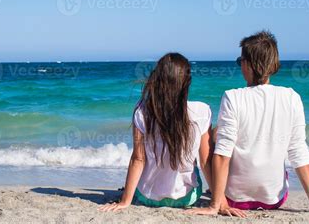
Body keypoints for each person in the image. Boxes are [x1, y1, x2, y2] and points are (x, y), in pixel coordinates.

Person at [188, 31, 309, 217]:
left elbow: (223, 154)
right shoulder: (291, 97)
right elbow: (298, 151)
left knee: (216, 135)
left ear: (248, 64)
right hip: (274, 200)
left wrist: (216, 205)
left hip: (234, 199)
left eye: (241, 61)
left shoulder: (233, 97)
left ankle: (217, 194)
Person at [99, 53, 242, 215]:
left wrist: (125, 201)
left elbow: (138, 159)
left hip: (148, 197)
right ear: (186, 83)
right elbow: (205, 162)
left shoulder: (142, 111)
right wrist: (221, 202)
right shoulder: (202, 111)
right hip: (186, 198)